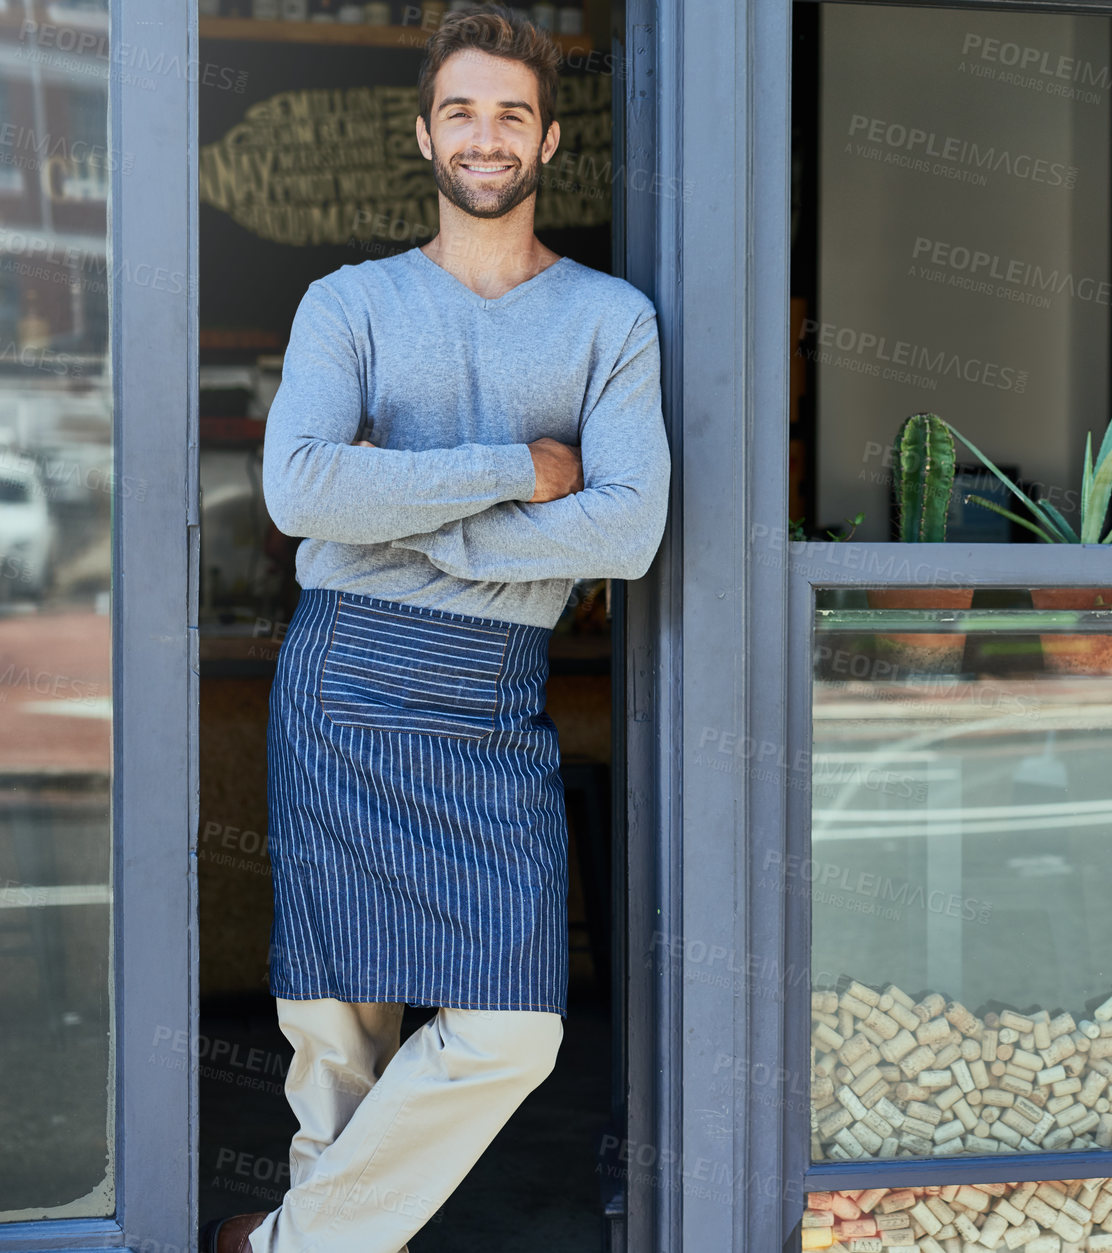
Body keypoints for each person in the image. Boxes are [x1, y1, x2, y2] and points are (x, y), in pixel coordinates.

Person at [200, 6, 669, 1250]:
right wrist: (518, 464)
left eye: (511, 112)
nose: (485, 134)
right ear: (423, 132)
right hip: (347, 682)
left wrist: (409, 517)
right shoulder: (348, 303)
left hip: (490, 697)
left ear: (550, 139)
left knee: (512, 1029)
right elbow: (301, 493)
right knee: (339, 1041)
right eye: (460, 109)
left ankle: (283, 1245)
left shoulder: (609, 321)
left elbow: (625, 532)